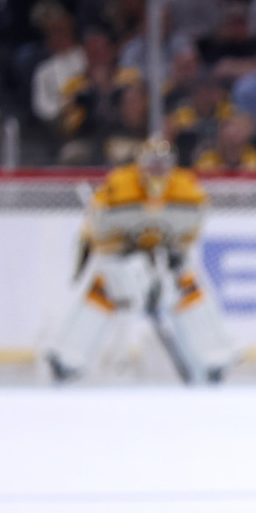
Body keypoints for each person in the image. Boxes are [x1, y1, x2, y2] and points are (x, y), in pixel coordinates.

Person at [45, 138, 235, 384]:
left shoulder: (186, 186)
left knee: (187, 286)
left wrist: (175, 251)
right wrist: (117, 248)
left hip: (162, 260)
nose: (157, 169)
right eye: (152, 163)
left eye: (163, 163)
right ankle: (68, 356)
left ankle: (213, 357)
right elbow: (94, 227)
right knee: (105, 290)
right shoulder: (118, 184)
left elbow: (192, 229)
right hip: (120, 260)